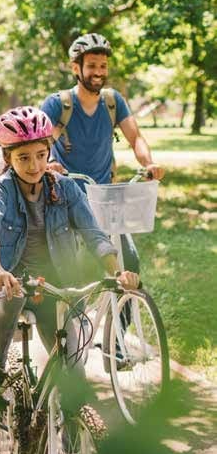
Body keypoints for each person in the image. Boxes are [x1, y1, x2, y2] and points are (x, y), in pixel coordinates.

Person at [0, 105, 139, 406]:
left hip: (51, 287)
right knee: (13, 291)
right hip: (9, 283)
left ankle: (70, 447)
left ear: (49, 152)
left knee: (73, 376)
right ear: (8, 158)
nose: (34, 165)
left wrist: (116, 271)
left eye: (40, 155)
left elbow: (94, 235)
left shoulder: (66, 188)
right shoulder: (0, 190)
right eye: (23, 157)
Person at [41, 32, 165, 273]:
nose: (98, 72)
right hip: (68, 198)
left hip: (106, 198)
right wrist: (49, 163)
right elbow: (40, 144)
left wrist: (149, 164)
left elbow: (135, 137)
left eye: (103, 66)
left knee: (128, 262)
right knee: (75, 270)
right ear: (76, 68)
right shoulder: (59, 104)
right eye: (91, 66)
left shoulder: (113, 101)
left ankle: (125, 310)